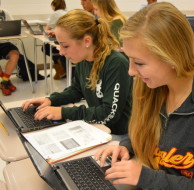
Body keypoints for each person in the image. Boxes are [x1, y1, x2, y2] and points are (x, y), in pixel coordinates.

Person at [94, 2, 194, 189]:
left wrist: (146, 178)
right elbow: (146, 129)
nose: (131, 71)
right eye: (129, 59)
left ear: (172, 57)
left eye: (139, 63)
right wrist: (126, 146)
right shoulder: (152, 85)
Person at [22, 10, 132, 138]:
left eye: (65, 46)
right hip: (99, 128)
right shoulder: (83, 60)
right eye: (59, 45)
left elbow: (109, 114)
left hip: (120, 134)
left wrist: (64, 112)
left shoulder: (116, 63)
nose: (61, 52)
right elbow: (76, 90)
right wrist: (51, 100)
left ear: (86, 41)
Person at [0, 9, 44, 95]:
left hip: (5, 42)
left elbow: (13, 26)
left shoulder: (5, 13)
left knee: (15, 55)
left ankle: (5, 82)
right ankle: (5, 82)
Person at [43, 0, 67, 80]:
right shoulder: (66, 12)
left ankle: (61, 65)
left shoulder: (55, 13)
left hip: (61, 39)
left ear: (54, 5)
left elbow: (47, 29)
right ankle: (61, 65)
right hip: (67, 37)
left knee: (45, 48)